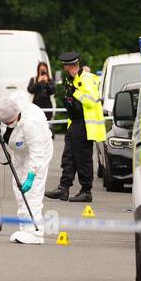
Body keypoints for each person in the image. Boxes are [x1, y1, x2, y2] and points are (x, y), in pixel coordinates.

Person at [0, 90, 54, 244]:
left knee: (32, 192)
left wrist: (31, 176)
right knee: (18, 190)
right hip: (20, 154)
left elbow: (37, 154)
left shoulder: (31, 124)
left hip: (37, 153)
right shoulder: (7, 108)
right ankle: (24, 228)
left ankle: (36, 233)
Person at [47, 50, 104, 203]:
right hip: (74, 123)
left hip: (85, 125)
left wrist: (76, 93)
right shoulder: (71, 79)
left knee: (83, 159)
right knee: (68, 157)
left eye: (67, 66)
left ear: (72, 65)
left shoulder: (86, 79)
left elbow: (92, 100)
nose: (66, 69)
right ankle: (63, 188)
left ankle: (86, 191)